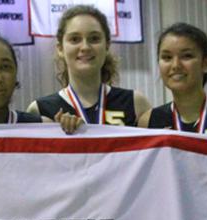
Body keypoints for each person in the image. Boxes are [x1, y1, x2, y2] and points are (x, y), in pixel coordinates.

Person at [26, 4, 151, 133]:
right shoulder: (40, 111)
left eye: (94, 39)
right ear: (60, 49)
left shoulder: (136, 104)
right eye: (75, 39)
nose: (85, 47)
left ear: (107, 45)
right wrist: (56, 133)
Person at [139, 23, 207, 135]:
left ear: (205, 64)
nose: (175, 65)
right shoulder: (148, 121)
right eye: (167, 57)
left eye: (186, 56)